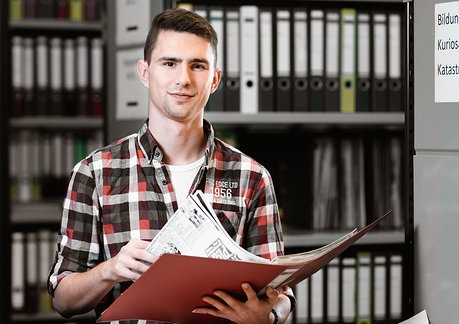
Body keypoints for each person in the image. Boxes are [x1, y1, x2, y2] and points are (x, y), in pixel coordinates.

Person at [48, 8, 295, 324]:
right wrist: (109, 270)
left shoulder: (253, 177)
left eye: (198, 65)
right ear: (145, 72)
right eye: (169, 63)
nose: (183, 79)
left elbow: (279, 292)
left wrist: (269, 316)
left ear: (215, 79)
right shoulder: (94, 173)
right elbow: (63, 300)